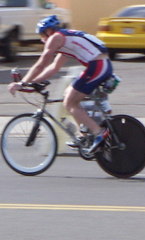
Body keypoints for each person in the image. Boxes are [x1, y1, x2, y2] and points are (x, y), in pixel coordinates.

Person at [8, 15, 113, 153]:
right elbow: (53, 68)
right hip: (99, 65)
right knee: (68, 94)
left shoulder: (55, 38)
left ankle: (99, 133)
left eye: (41, 34)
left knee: (70, 102)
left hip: (98, 65)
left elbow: (42, 63)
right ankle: (85, 136)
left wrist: (22, 83)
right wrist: (34, 82)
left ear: (48, 31)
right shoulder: (64, 39)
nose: (42, 39)